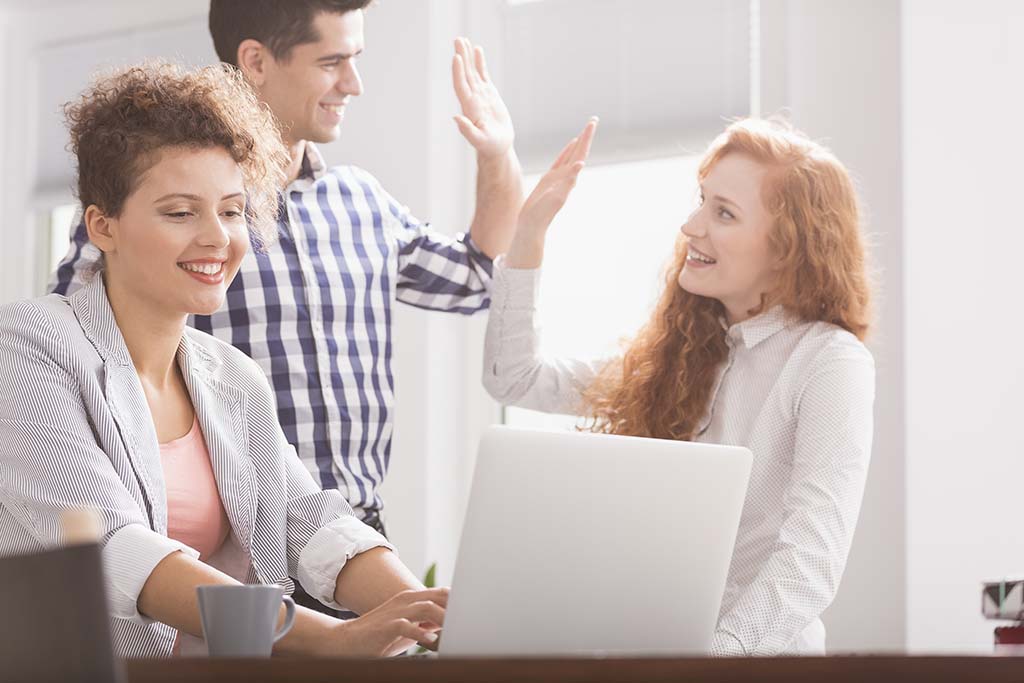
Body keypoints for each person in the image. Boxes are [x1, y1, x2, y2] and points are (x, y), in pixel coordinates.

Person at [0, 62, 447, 658]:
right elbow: (113, 547)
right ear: (103, 227)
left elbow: (309, 521)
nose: (218, 238)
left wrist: (421, 614)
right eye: (181, 212)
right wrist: (326, 639)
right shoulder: (25, 346)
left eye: (233, 210)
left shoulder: (231, 374)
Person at [49, 1, 521, 550]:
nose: (354, 84)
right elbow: (72, 355)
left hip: (356, 532)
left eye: (355, 59)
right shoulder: (160, 209)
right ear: (256, 59)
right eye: (331, 62)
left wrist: (498, 155)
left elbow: (473, 280)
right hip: (232, 541)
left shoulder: (362, 201)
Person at [483, 117, 875, 655]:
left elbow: (812, 558)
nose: (692, 226)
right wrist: (528, 235)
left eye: (724, 213)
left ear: (788, 246)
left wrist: (718, 658)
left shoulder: (828, 362)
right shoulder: (681, 353)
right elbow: (514, 378)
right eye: (701, 201)